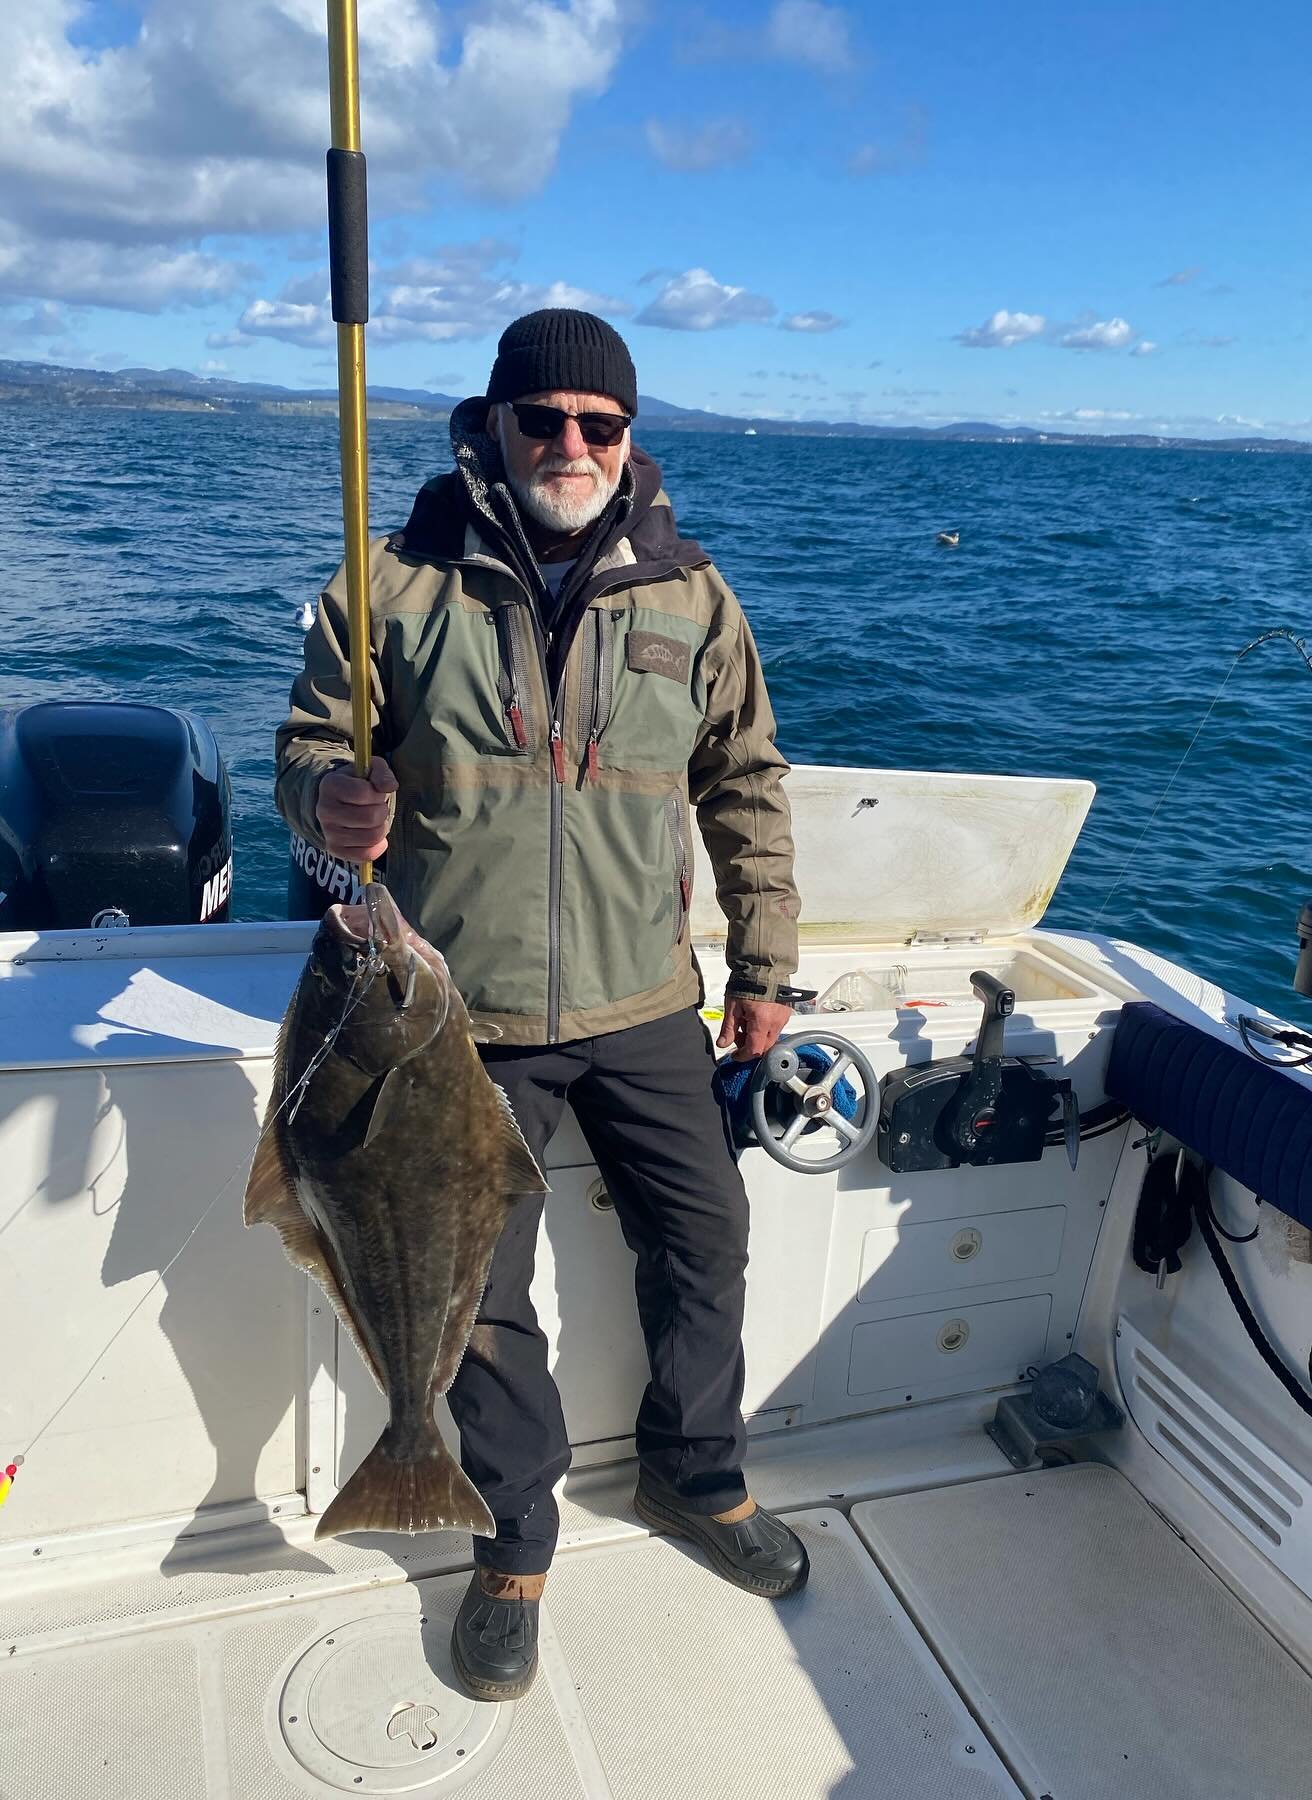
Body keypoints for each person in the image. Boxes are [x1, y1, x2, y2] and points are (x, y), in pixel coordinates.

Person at [275, 308, 808, 1704]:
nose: (572, 444)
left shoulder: (693, 597)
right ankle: (513, 1538)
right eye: (544, 419)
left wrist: (764, 964)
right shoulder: (390, 586)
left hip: (646, 1002)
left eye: (601, 424)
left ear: (633, 440)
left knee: (709, 1239)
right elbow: (309, 747)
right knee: (481, 1302)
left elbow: (744, 783)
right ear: (491, 427)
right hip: (458, 1020)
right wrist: (329, 803)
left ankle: (700, 1474)